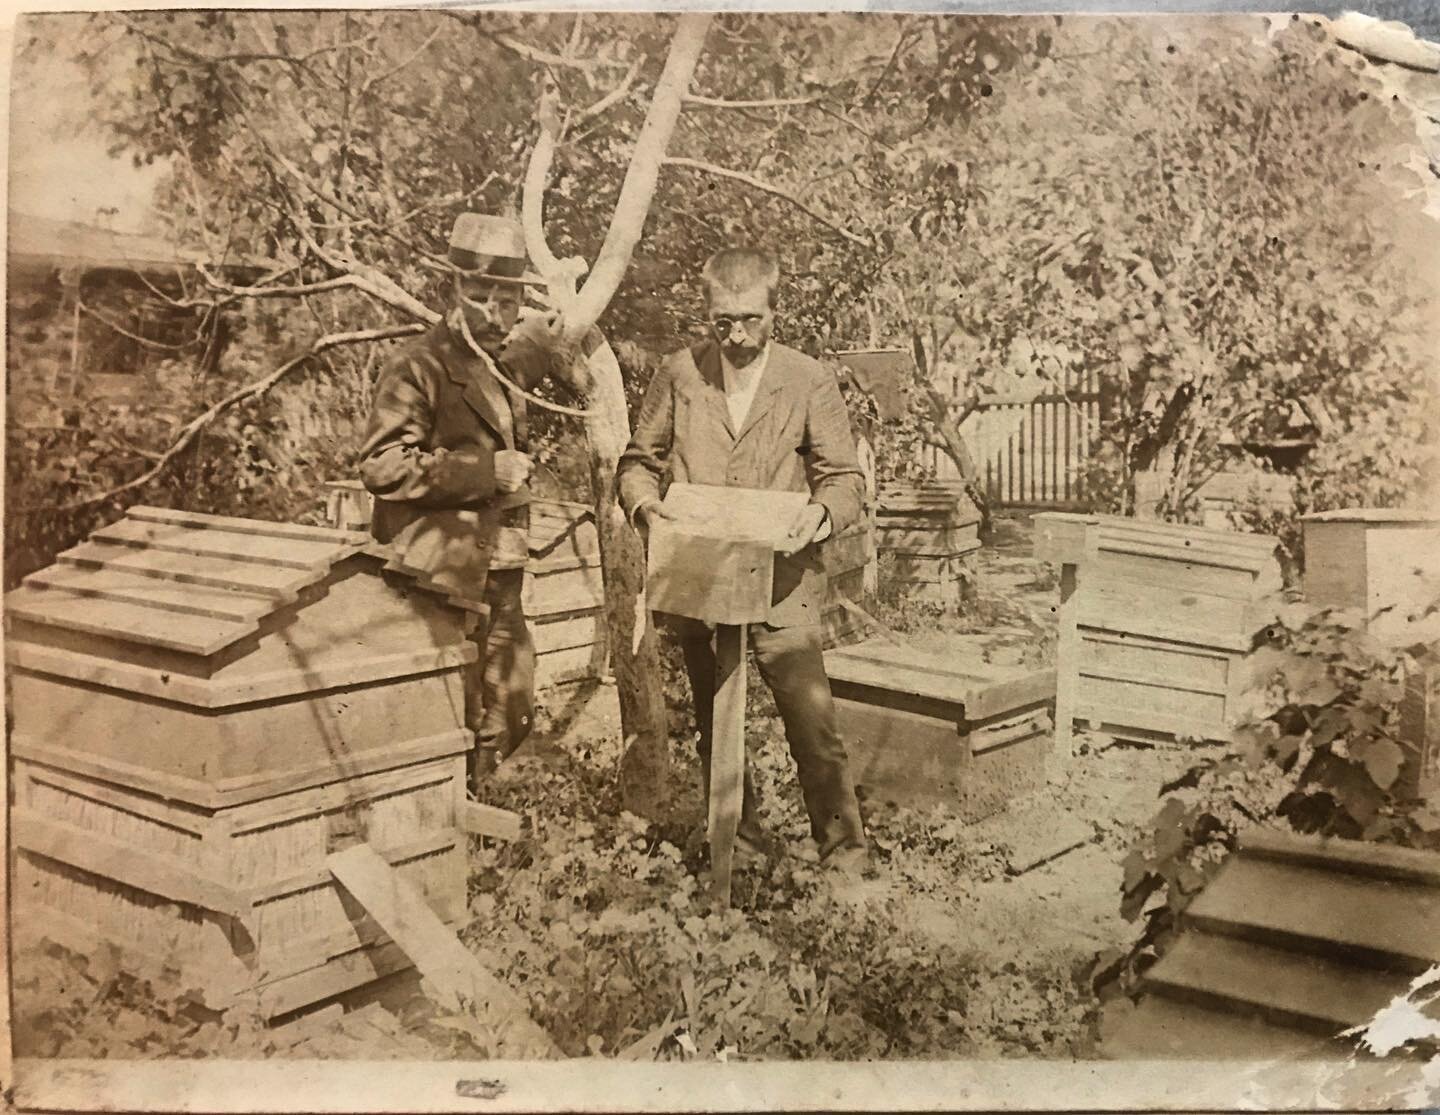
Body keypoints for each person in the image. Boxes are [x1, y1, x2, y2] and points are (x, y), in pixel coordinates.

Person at [616, 247, 870, 872]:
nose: (735, 334)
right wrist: (648, 511)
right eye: (722, 320)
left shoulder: (807, 378)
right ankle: (739, 843)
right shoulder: (680, 374)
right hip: (699, 577)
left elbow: (843, 478)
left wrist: (818, 516)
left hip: (783, 579)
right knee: (714, 718)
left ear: (774, 311)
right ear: (707, 312)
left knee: (811, 723)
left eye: (750, 319)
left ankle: (843, 853)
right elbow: (636, 463)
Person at [359, 212, 561, 792]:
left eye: (508, 299)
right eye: (480, 297)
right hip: (440, 578)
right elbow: (381, 464)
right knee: (448, 708)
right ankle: (454, 832)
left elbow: (525, 355)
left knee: (513, 698)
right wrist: (484, 471)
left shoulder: (502, 356)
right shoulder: (417, 365)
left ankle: (476, 809)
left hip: (502, 573)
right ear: (455, 291)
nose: (494, 313)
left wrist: (549, 332)